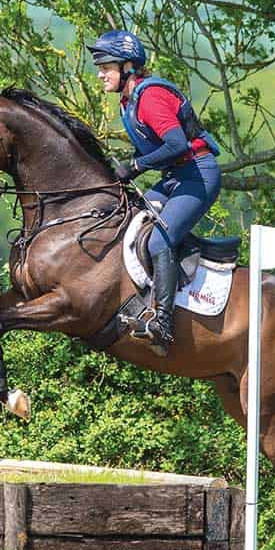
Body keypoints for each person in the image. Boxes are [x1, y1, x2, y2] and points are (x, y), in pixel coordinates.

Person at [87, 29, 222, 355]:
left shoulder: (149, 97)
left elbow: (177, 144)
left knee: (160, 238)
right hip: (176, 176)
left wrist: (135, 166)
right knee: (131, 217)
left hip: (197, 176)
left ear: (128, 67)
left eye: (106, 66)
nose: (100, 73)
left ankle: (163, 324)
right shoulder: (128, 101)